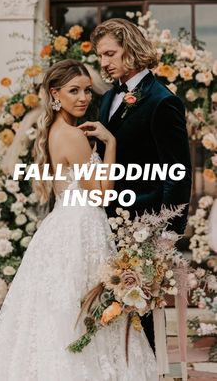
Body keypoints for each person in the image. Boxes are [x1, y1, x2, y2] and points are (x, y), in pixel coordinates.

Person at [0, 59, 157, 381]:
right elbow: (102, 194)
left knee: (63, 310)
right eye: (73, 90)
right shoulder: (74, 137)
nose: (83, 98)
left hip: (65, 225)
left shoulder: (54, 130)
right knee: (81, 310)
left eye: (87, 90)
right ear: (55, 94)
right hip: (80, 227)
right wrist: (111, 143)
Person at [91, 18, 192, 352]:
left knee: (141, 313)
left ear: (130, 49)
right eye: (100, 55)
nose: (103, 63)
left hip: (144, 226)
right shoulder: (108, 99)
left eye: (109, 53)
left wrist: (167, 234)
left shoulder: (163, 101)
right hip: (107, 219)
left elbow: (177, 172)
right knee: (112, 311)